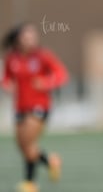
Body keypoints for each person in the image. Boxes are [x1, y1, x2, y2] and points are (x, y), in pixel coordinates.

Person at [1, 23, 68, 192]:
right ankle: (50, 161)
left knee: (29, 143)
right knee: (22, 145)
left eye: (33, 35)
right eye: (26, 36)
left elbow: (61, 74)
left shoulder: (43, 56)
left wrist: (46, 82)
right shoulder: (12, 58)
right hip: (20, 107)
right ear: (18, 39)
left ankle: (29, 183)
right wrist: (7, 84)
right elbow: (6, 77)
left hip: (39, 106)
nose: (31, 39)